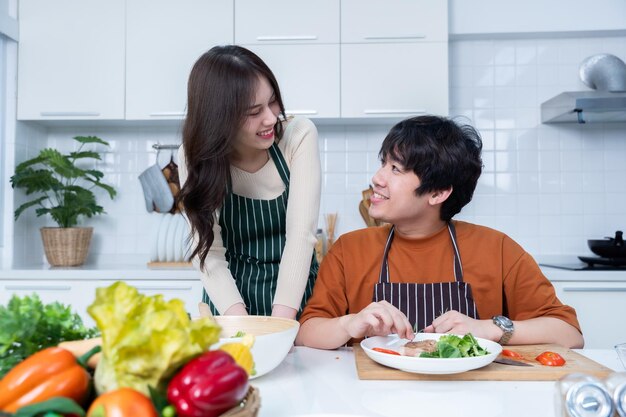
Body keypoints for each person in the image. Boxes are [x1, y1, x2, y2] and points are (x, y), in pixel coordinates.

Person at [296, 115, 584, 349]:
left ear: (438, 193)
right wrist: (349, 324)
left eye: (396, 169)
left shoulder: (496, 249)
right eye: (383, 163)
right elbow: (307, 332)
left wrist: (489, 329)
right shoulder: (350, 249)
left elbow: (569, 334)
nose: (377, 178)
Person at [178, 45, 320, 320]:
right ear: (219, 118)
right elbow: (209, 251)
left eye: (273, 101)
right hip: (228, 299)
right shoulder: (194, 155)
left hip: (295, 299)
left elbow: (300, 238)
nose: (271, 118)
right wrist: (240, 324)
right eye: (254, 111)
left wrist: (280, 325)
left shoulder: (298, 136)